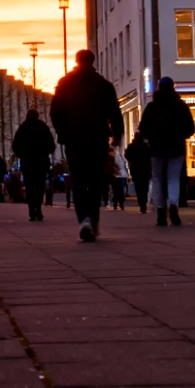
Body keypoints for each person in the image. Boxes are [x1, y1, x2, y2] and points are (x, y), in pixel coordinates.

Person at [50, 49, 125, 243]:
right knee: (95, 181)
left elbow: (55, 112)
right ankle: (92, 218)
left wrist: (63, 133)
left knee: (79, 180)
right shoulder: (103, 85)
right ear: (93, 61)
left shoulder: (65, 84)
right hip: (97, 139)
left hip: (74, 140)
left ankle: (84, 219)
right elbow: (114, 113)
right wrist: (117, 135)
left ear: (76, 61)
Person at [139, 77, 195, 227]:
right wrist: (180, 135)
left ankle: (160, 211)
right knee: (173, 178)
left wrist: (152, 138)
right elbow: (190, 128)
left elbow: (143, 128)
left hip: (157, 148)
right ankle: (173, 206)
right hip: (176, 148)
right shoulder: (180, 106)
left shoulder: (152, 107)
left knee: (157, 179)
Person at [12, 109, 54, 221]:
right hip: (41, 162)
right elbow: (51, 145)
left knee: (29, 187)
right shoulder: (43, 128)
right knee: (40, 187)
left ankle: (31, 209)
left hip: (28, 163)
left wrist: (22, 155)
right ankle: (38, 208)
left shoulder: (23, 128)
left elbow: (15, 145)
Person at [125, 132, 152, 213]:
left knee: (138, 187)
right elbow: (150, 156)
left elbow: (127, 156)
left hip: (135, 169)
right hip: (146, 169)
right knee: (145, 186)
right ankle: (144, 201)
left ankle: (141, 203)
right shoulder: (146, 146)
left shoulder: (131, 146)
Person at [110, 144, 128, 211]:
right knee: (121, 190)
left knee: (116, 190)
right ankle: (120, 204)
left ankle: (116, 204)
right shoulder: (121, 156)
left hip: (117, 175)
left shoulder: (116, 156)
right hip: (121, 175)